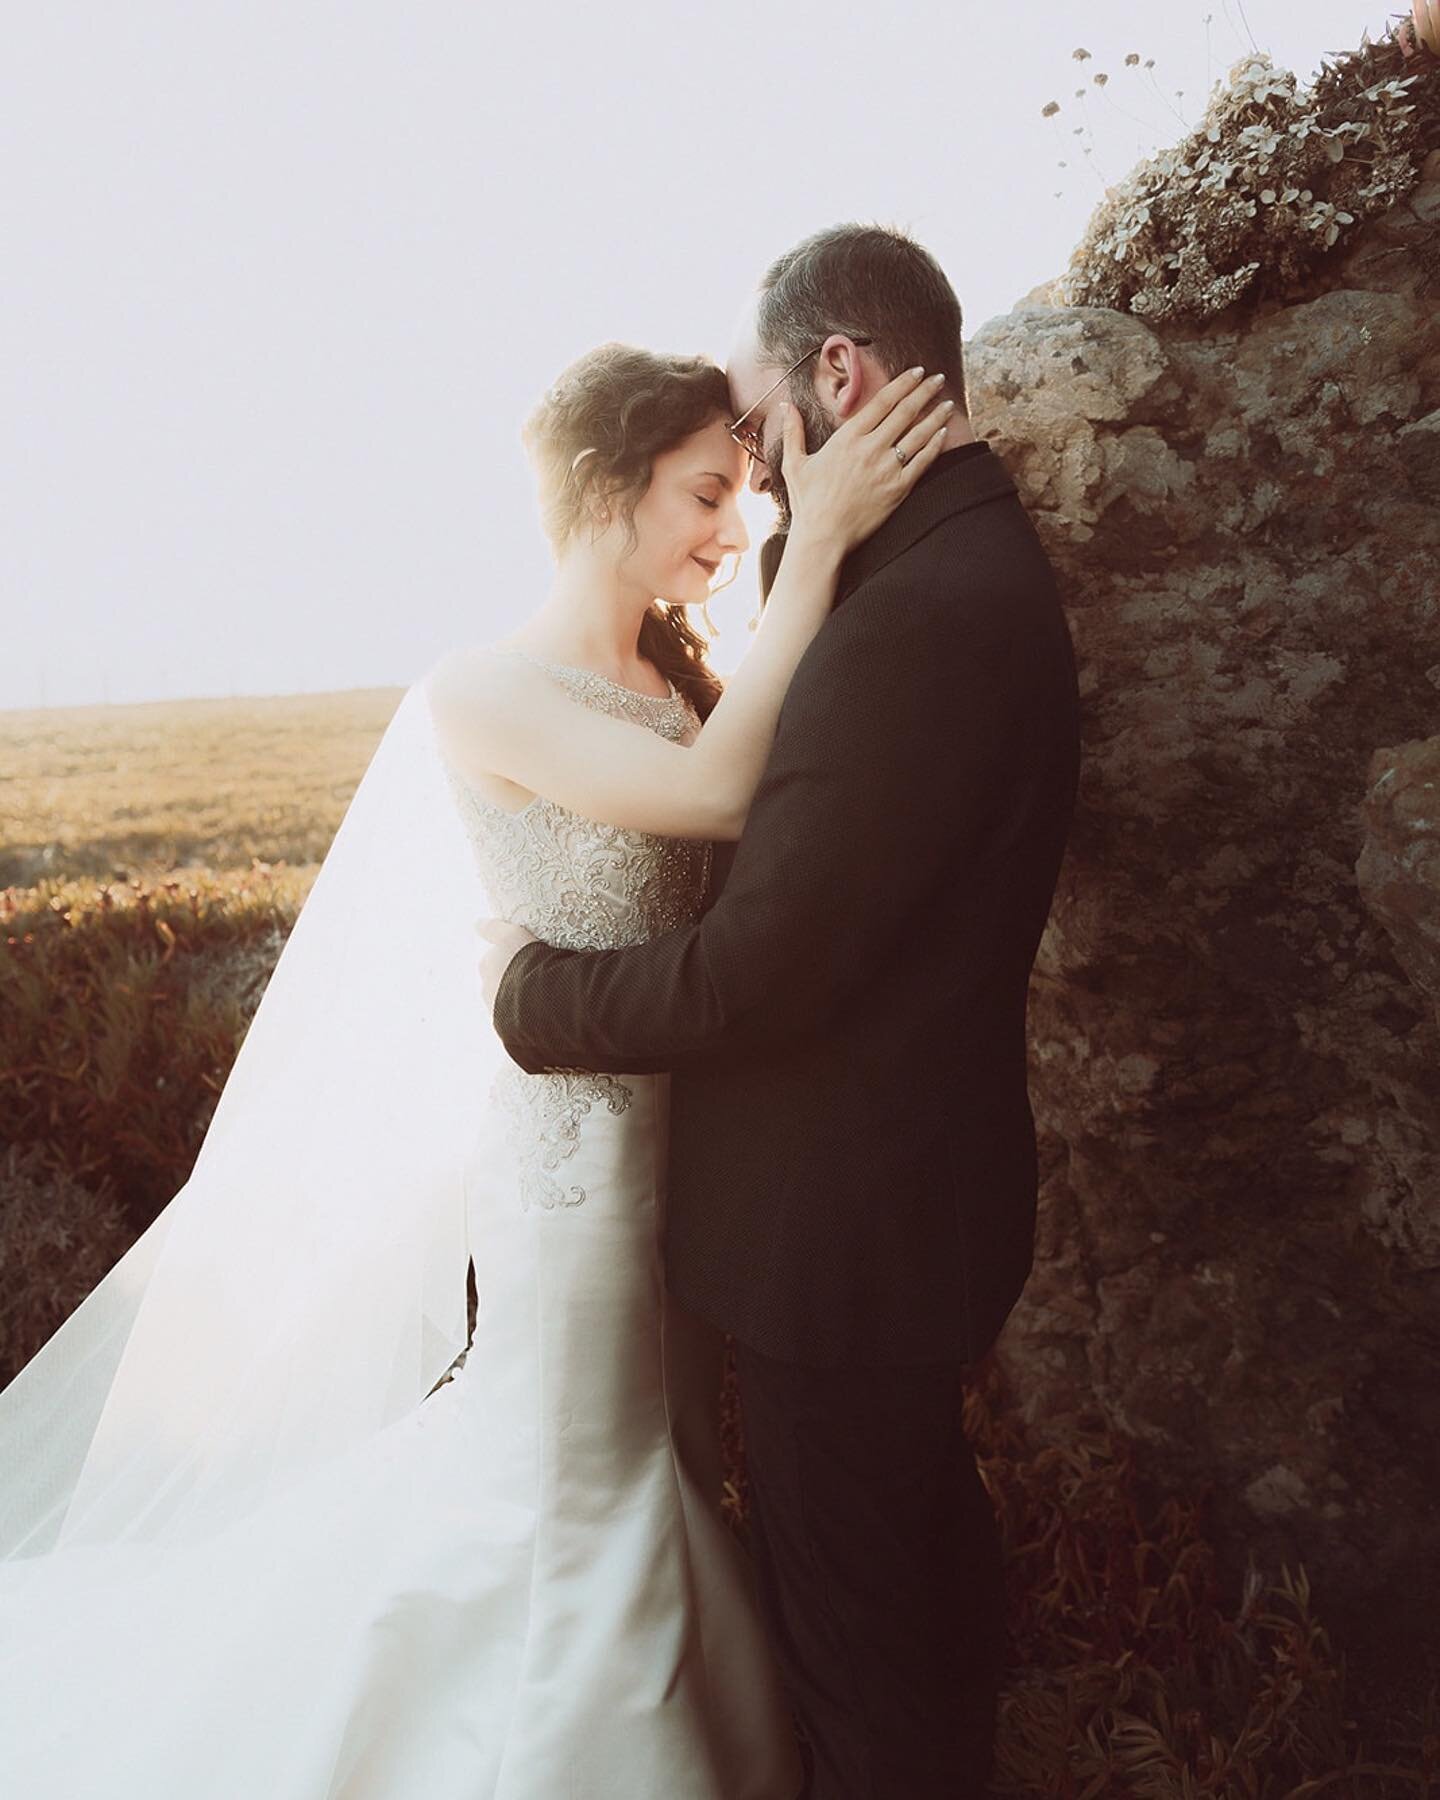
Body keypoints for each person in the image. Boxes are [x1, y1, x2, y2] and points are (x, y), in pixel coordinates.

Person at [0, 334, 948, 1798]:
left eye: (748, 502)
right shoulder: (481, 690)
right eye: (708, 495)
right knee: (578, 1470)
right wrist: (818, 544)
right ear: (602, 487)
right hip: (568, 1166)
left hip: (688, 1156)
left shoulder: (676, 674)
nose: (733, 528)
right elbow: (717, 794)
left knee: (679, 1462)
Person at [478, 223, 1084, 1800]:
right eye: (715, 470)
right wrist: (802, 550)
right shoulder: (932, 572)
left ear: (838, 372)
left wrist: (528, 996)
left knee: (866, 1657)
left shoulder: (923, 614)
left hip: (847, 1237)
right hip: (867, 1214)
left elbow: (762, 968)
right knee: (908, 1601)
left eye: (755, 434)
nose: (750, 481)